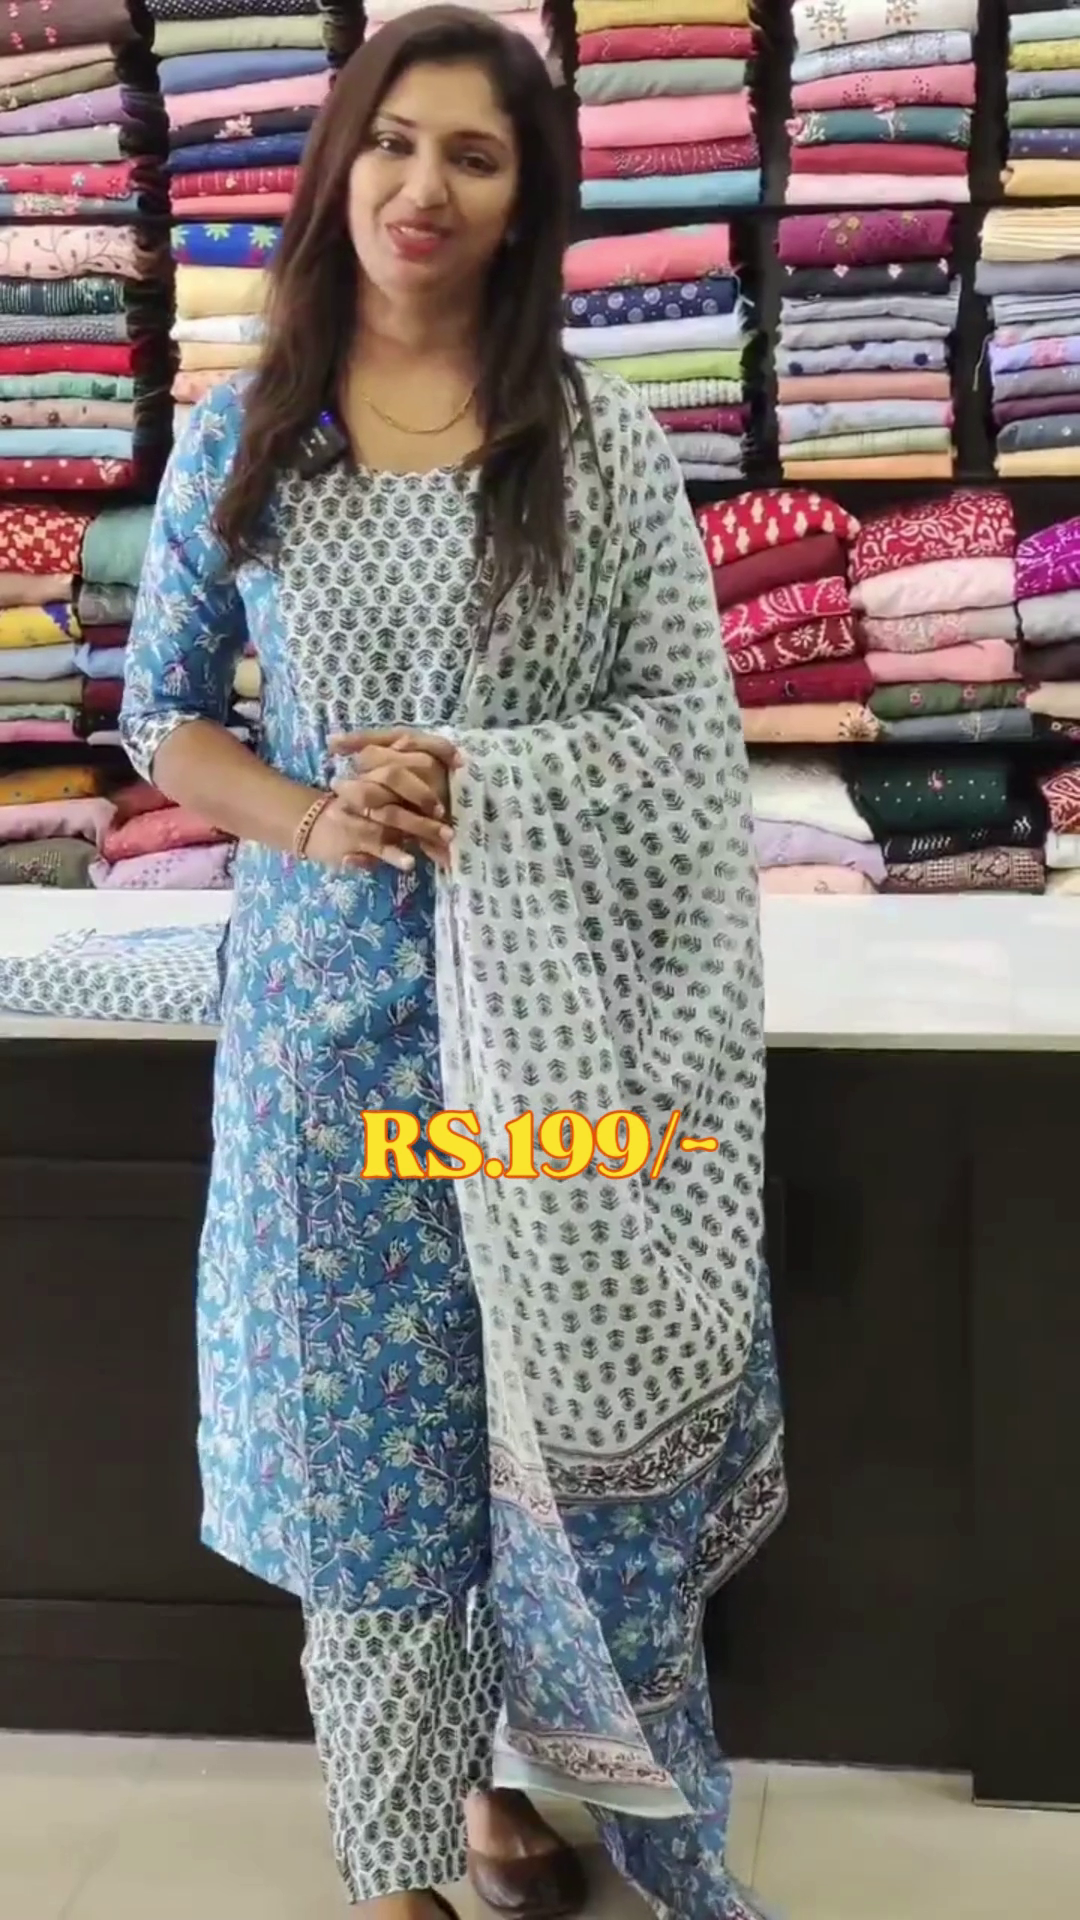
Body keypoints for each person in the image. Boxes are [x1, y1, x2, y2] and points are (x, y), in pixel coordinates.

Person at [120, 8, 785, 1918]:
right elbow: (164, 718)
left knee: (549, 1440)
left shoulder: (600, 445)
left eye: (473, 158)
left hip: (570, 1046)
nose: (422, 187)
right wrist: (312, 818)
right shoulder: (251, 437)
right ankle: (394, 1868)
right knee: (374, 1467)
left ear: (523, 203)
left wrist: (486, 779)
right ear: (339, 166)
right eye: (393, 143)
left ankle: (519, 1791)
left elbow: (690, 734)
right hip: (333, 1040)